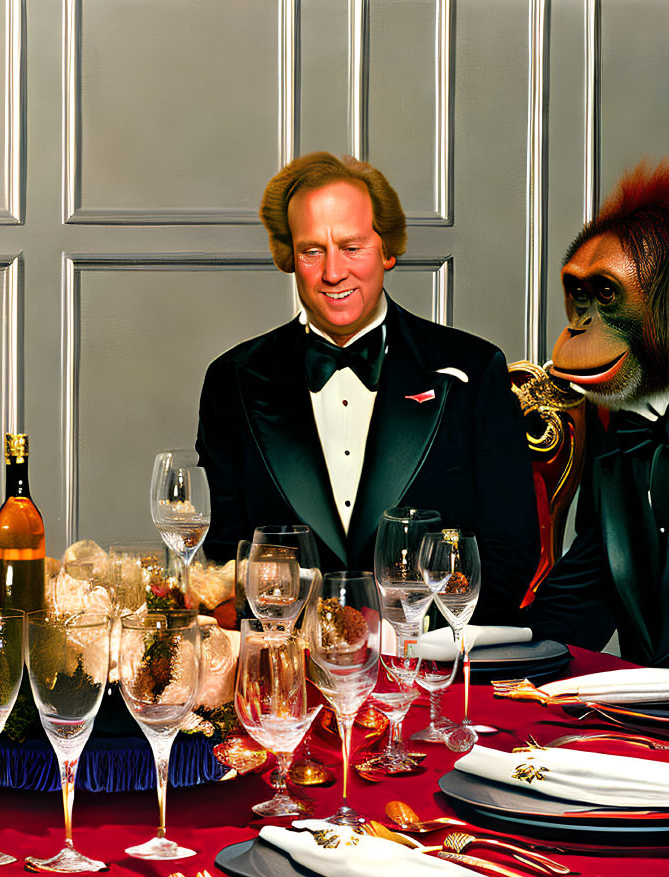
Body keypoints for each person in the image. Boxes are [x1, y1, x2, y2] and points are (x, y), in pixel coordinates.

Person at [196, 151, 538, 623]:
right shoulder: (231, 380)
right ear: (288, 257)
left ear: (388, 249)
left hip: (425, 666)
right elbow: (222, 558)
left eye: (352, 247)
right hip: (291, 675)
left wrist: (407, 637)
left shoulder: (472, 372)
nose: (333, 272)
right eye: (312, 250)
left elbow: (508, 552)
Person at [528, 161, 669, 666]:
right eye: (579, 296)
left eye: (606, 293)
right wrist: (480, 660)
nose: (581, 325)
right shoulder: (626, 423)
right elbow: (592, 583)